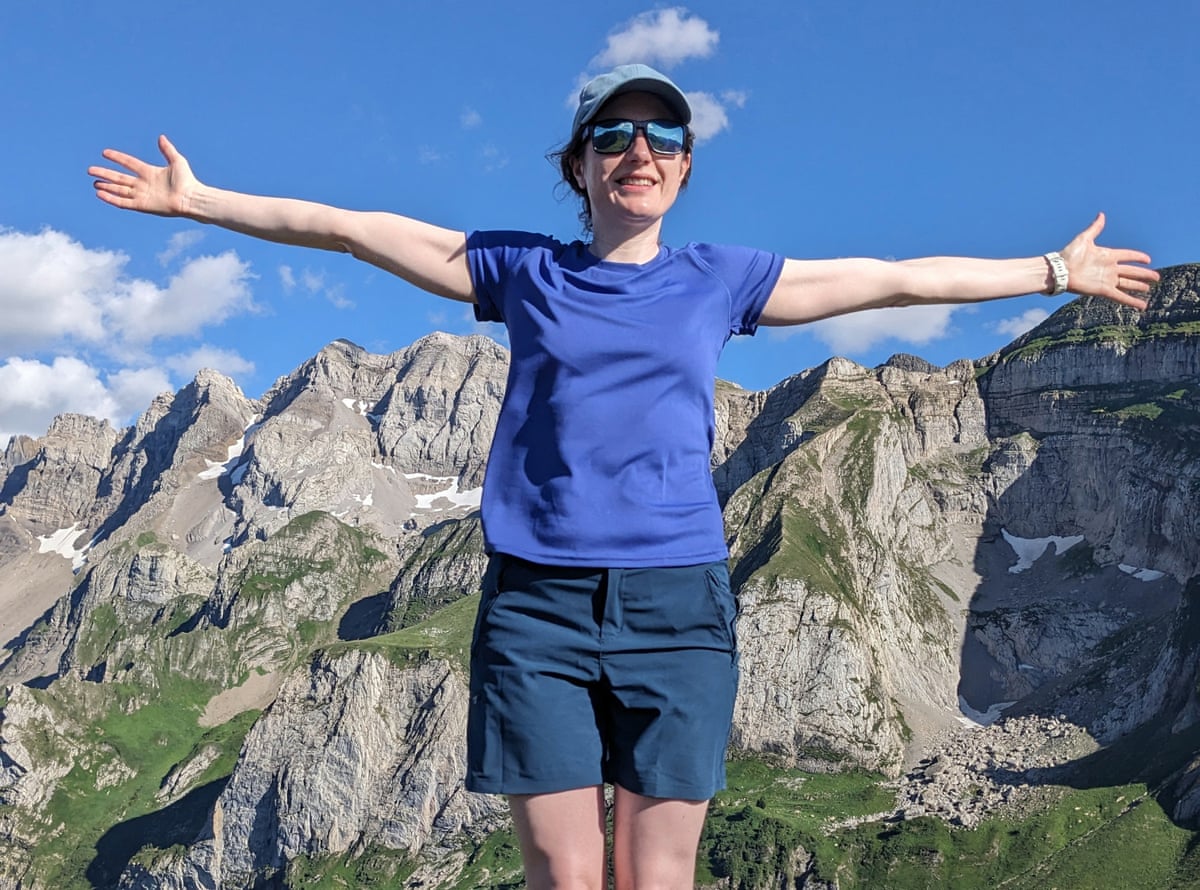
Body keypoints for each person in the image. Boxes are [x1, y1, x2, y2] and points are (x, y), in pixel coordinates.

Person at [90, 63, 1158, 890]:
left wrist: (1053, 271)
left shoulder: (721, 280)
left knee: (657, 874)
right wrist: (201, 203)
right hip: (536, 606)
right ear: (582, 168)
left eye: (661, 137)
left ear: (684, 168)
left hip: (677, 605)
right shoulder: (523, 270)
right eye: (613, 135)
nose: (637, 149)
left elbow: (883, 274)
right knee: (563, 871)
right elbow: (360, 232)